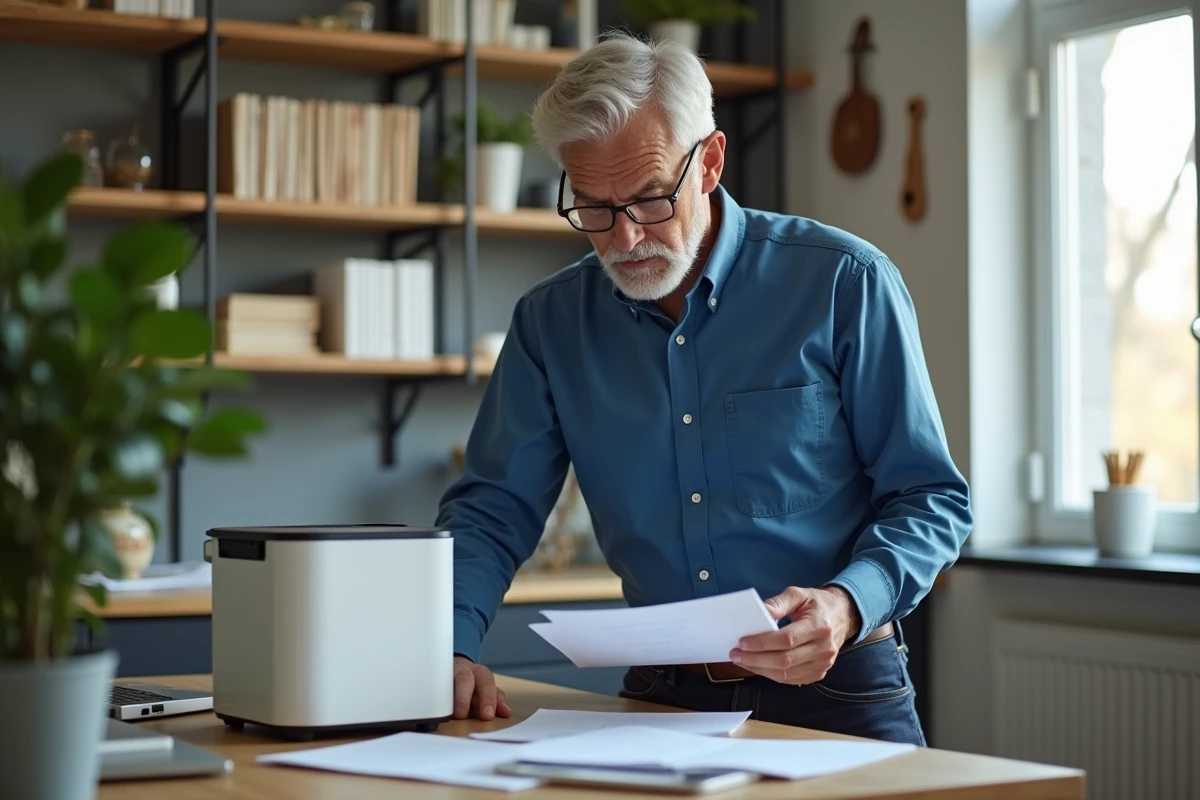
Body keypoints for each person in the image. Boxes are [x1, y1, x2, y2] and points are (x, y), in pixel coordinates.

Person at [434, 32, 972, 747]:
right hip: (660, 698)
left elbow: (932, 498)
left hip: (840, 688)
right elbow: (492, 511)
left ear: (710, 162)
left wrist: (847, 603)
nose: (624, 241)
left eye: (651, 200)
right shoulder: (550, 322)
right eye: (593, 208)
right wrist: (451, 645)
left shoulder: (843, 283)